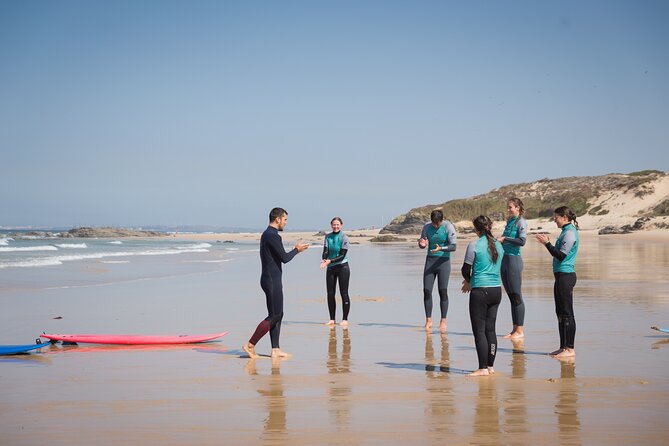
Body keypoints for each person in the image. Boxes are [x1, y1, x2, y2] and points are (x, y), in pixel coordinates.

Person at [243, 208, 309, 359]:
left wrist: (293, 250)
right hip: (271, 280)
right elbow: (285, 259)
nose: (285, 223)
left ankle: (275, 349)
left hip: (271, 279)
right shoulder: (272, 236)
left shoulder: (268, 235)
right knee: (274, 316)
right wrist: (297, 251)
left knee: (278, 314)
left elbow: (280, 256)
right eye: (285, 219)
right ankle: (250, 345)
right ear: (278, 219)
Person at [461, 215, 504, 377]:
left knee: (479, 331)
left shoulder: (474, 245)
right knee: (490, 330)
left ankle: (482, 368)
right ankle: (490, 366)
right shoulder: (499, 246)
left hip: (480, 291)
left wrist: (470, 281)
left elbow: (465, 270)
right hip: (496, 290)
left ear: (476, 229)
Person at [535, 206, 579, 358]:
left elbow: (560, 255)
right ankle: (563, 347)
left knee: (567, 313)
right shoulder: (565, 232)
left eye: (556, 217)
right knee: (559, 313)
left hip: (566, 276)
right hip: (560, 276)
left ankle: (570, 349)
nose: (554, 220)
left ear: (564, 218)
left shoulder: (570, 233)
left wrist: (547, 243)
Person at [418, 210, 457, 333]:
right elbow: (422, 241)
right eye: (433, 223)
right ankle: (428, 320)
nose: (435, 226)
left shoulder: (448, 227)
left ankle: (443, 320)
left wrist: (441, 248)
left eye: (437, 223)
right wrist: (422, 243)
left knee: (442, 291)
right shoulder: (426, 226)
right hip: (430, 261)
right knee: (427, 290)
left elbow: (453, 246)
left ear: (442, 220)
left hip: (443, 262)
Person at [496, 198, 528, 339]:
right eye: (507, 207)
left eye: (510, 207)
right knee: (510, 297)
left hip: (514, 260)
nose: (508, 209)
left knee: (517, 296)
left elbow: (522, 241)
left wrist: (505, 239)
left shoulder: (521, 222)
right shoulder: (509, 221)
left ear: (517, 207)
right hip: (505, 260)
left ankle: (520, 331)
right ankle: (514, 329)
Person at [320, 217, 351, 327]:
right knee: (330, 293)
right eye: (334, 224)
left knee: (344, 293)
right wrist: (324, 259)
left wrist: (330, 261)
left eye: (338, 224)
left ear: (341, 225)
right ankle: (332, 319)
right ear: (331, 225)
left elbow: (342, 255)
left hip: (343, 267)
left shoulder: (344, 237)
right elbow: (325, 251)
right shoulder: (327, 237)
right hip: (330, 268)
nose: (336, 226)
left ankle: (345, 319)